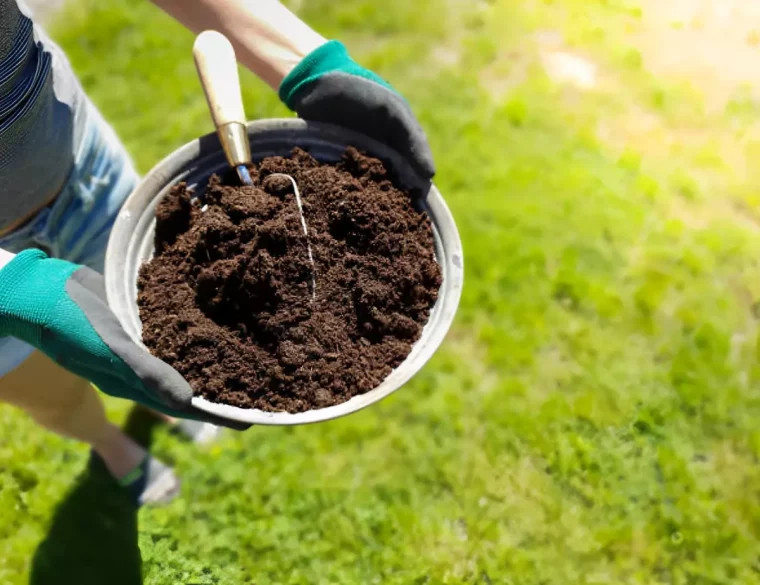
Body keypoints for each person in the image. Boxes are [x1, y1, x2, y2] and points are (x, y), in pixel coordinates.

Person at [0, 0, 434, 505]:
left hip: (76, 161)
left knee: (138, 346)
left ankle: (163, 405)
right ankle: (109, 444)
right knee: (47, 390)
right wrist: (11, 286)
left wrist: (302, 60)